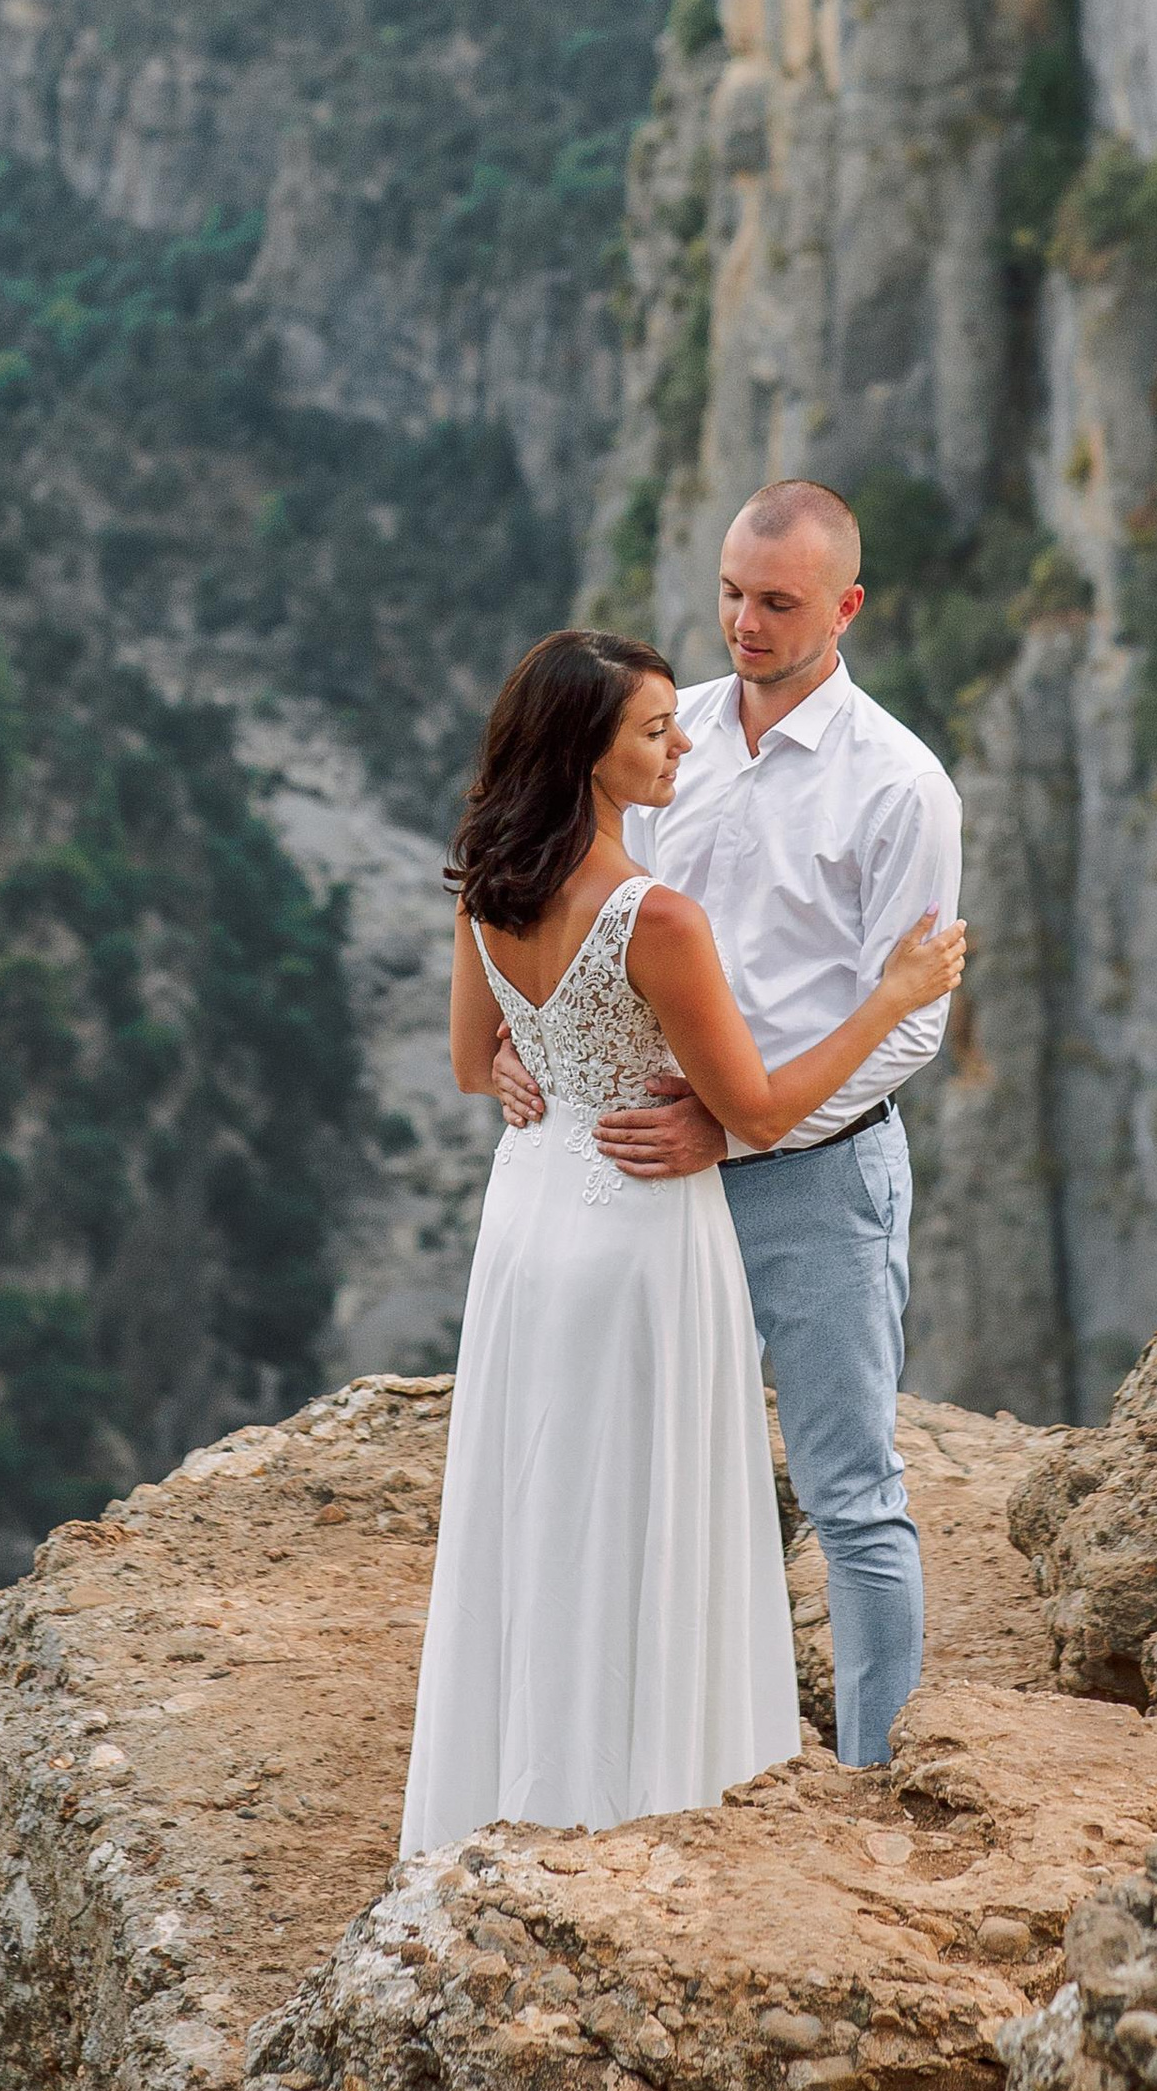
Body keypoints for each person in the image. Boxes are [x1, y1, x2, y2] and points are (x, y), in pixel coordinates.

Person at [401, 626, 966, 1855]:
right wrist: (893, 994)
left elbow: (466, 1062)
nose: (681, 745)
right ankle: (646, 1778)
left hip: (531, 1218)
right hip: (643, 1230)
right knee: (651, 1498)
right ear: (591, 755)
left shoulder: (488, 877)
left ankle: (526, 1774)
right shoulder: (656, 918)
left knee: (542, 1495)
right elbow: (754, 1109)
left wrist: (542, 1063)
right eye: (654, 733)